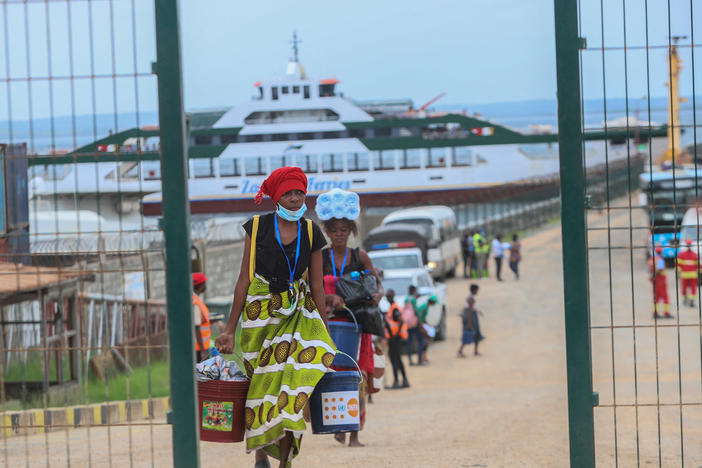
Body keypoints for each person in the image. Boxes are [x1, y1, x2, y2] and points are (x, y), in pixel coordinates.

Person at [214, 166, 335, 468]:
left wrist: (324, 329)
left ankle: (284, 461)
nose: (295, 199)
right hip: (258, 317)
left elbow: (318, 284)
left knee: (291, 389)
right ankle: (260, 454)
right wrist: (230, 329)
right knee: (260, 388)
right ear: (276, 197)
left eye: (299, 193)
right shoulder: (256, 228)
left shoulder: (311, 231)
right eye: (288, 193)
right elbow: (244, 279)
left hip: (297, 313)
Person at [317, 191, 383, 448]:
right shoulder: (319, 258)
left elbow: (375, 285)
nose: (339, 234)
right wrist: (329, 298)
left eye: (344, 229)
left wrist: (376, 295)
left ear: (351, 230)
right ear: (328, 233)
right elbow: (311, 289)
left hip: (356, 326)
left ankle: (354, 433)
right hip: (328, 327)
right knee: (331, 376)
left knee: (359, 379)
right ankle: (337, 425)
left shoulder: (360, 257)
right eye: (334, 230)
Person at [383, 289, 409, 389]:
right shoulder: (392, 308)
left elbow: (400, 320)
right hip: (393, 339)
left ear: (393, 296)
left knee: (395, 360)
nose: (388, 298)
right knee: (396, 359)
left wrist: (396, 334)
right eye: (387, 296)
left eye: (390, 296)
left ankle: (397, 381)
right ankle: (402, 380)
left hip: (395, 339)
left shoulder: (395, 308)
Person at [458, 284, 484, 357]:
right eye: (476, 290)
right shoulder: (471, 299)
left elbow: (470, 308)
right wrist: (469, 322)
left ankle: (475, 351)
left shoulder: (470, 297)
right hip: (471, 317)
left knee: (475, 334)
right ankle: (460, 350)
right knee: (469, 333)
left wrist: (478, 311)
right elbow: (469, 310)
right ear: (474, 290)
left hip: (472, 315)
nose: (477, 291)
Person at [192, 272, 211, 363]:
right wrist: (203, 351)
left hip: (200, 347)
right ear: (200, 285)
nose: (205, 285)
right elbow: (197, 326)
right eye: (204, 283)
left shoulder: (196, 299)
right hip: (199, 349)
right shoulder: (195, 302)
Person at [404, 285, 425, 365]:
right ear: (413, 291)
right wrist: (420, 322)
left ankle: (410, 360)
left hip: (407, 324)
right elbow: (415, 311)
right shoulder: (413, 299)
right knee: (420, 341)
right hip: (414, 323)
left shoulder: (406, 299)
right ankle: (419, 360)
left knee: (409, 342)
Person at [650, 246, 672, 319]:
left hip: (655, 280)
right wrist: (655, 274)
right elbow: (659, 269)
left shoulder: (653, 259)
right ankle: (666, 313)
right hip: (660, 280)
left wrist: (652, 276)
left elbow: (651, 269)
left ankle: (655, 313)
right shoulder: (660, 260)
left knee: (656, 297)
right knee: (665, 297)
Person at [677, 239, 699, 307]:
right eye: (688, 245)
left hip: (692, 275)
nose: (689, 246)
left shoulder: (695, 255)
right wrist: (678, 273)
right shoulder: (682, 255)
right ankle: (685, 299)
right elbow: (679, 265)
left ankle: (691, 301)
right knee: (684, 289)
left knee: (693, 289)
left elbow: (698, 266)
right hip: (685, 275)